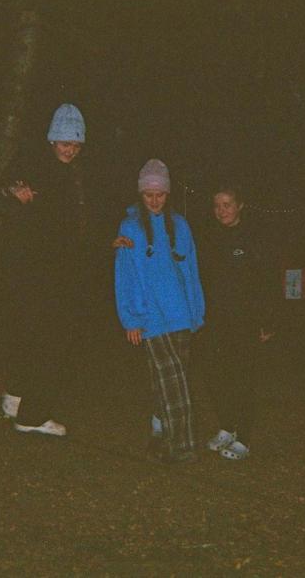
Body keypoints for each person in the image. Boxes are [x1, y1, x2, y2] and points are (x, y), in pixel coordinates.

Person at [0, 103, 108, 437]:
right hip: (37, 273)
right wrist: (12, 195)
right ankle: (31, 415)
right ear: (51, 140)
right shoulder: (32, 166)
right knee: (49, 343)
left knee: (36, 338)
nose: (70, 150)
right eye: (64, 143)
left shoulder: (76, 174)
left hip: (60, 271)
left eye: (75, 144)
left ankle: (15, 398)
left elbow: (82, 222)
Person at [114, 159, 205, 464]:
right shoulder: (129, 228)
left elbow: (190, 269)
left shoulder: (180, 225)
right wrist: (131, 318)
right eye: (148, 194)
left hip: (180, 314)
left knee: (164, 379)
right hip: (151, 317)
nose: (154, 201)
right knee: (174, 381)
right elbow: (125, 274)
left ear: (168, 194)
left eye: (160, 194)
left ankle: (159, 430)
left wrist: (196, 310)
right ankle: (183, 444)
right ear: (140, 194)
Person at [197, 184, 278, 460]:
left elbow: (267, 280)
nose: (222, 211)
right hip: (215, 320)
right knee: (215, 375)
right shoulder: (209, 237)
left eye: (227, 204)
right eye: (217, 205)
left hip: (245, 320)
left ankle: (243, 437)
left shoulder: (253, 238)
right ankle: (226, 427)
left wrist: (266, 321)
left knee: (243, 378)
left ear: (240, 205)